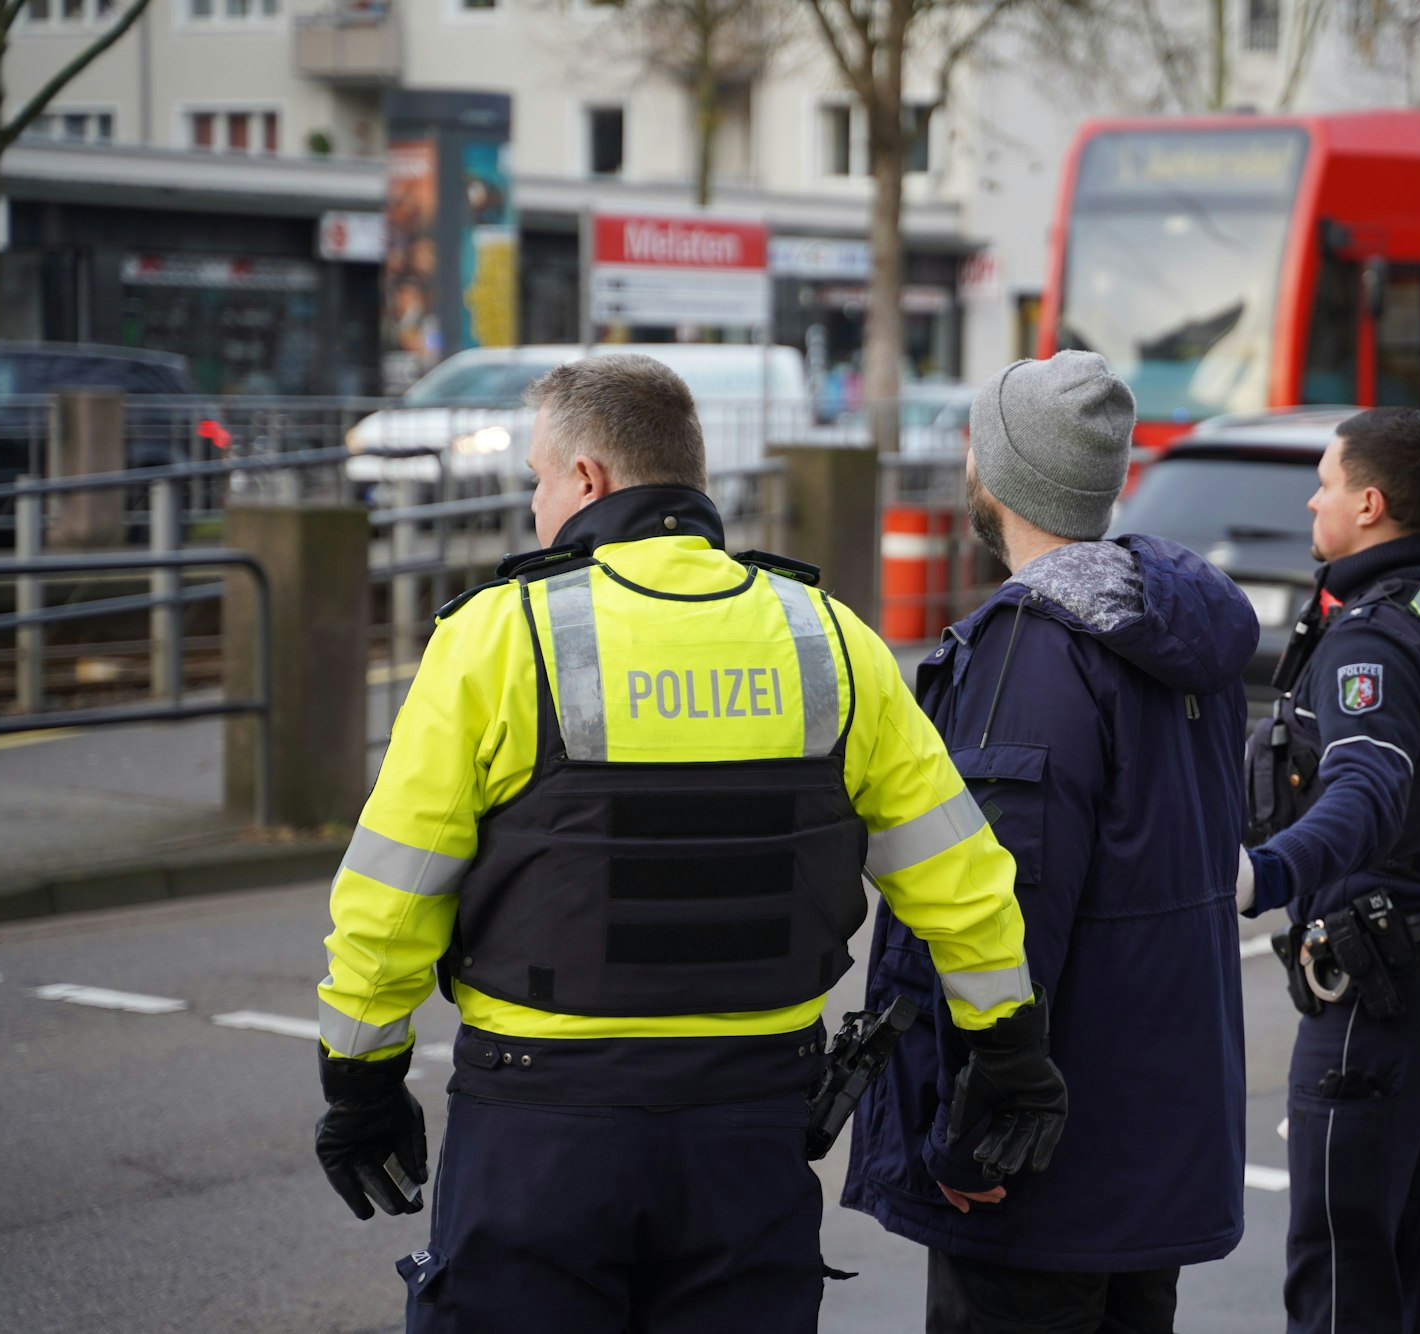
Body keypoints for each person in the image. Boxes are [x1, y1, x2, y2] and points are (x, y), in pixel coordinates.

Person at [313, 355, 1067, 1333]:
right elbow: (959, 878)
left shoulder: (498, 637)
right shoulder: (830, 641)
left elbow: (390, 896)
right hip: (750, 1127)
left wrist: (362, 1075)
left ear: (586, 479)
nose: (536, 504)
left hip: (540, 1124)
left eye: (537, 479)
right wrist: (1005, 1044)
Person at [844, 350, 1258, 1334]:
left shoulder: (1032, 650)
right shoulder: (1175, 634)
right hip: (1149, 1150)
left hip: (1042, 1168)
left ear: (998, 474)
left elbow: (1002, 909)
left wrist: (975, 1123)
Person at [1240, 406, 1420, 1334]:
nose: (1312, 499)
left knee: (1339, 1265)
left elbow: (1367, 789)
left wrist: (1265, 877)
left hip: (1383, 990)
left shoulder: (1371, 641)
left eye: (1324, 482)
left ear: (1369, 502)